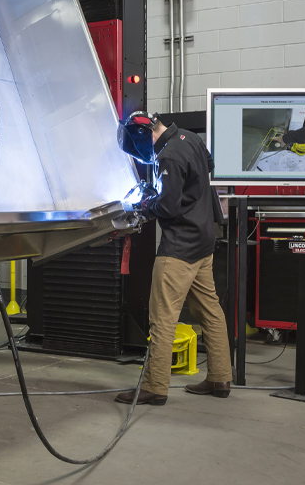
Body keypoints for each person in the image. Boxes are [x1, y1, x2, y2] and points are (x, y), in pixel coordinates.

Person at [115, 111, 232, 405]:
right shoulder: (190, 138)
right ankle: (220, 378)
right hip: (203, 242)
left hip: (180, 248)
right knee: (211, 312)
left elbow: (167, 208)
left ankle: (155, 386)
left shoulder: (168, 155)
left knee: (162, 318)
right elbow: (206, 167)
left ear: (144, 136)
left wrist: (146, 205)